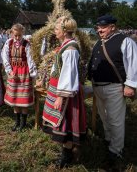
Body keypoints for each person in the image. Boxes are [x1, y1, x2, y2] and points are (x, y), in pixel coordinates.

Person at [88, 15, 137, 162]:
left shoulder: (125, 41)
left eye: (102, 27)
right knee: (104, 116)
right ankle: (109, 139)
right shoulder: (98, 42)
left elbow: (134, 64)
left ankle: (116, 150)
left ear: (112, 27)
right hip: (98, 86)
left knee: (115, 120)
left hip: (114, 87)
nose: (99, 30)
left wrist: (130, 85)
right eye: (98, 27)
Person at [40, 16, 86, 168]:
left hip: (66, 93)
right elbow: (58, 68)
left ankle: (67, 157)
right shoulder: (65, 45)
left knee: (65, 123)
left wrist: (60, 96)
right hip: (58, 88)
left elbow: (68, 74)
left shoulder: (70, 49)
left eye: (57, 29)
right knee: (61, 122)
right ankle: (66, 152)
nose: (55, 31)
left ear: (65, 31)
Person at [2, 23, 37, 131]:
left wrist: (33, 74)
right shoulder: (9, 42)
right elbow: (5, 57)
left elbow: (30, 60)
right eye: (15, 35)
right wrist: (9, 71)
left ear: (23, 34)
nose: (17, 38)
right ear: (12, 33)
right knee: (15, 97)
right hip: (14, 72)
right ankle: (17, 121)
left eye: (19, 35)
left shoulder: (27, 44)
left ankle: (23, 123)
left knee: (24, 98)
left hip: (24, 72)